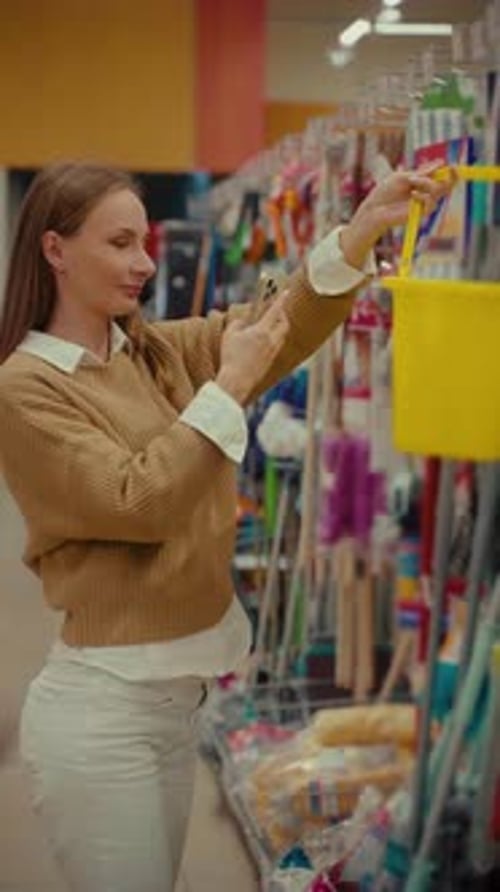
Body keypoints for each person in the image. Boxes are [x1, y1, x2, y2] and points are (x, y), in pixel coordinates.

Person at [0, 160, 449, 892]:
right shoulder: (26, 387)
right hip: (103, 714)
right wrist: (229, 387)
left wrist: (361, 230)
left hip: (181, 704)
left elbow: (276, 326)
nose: (145, 263)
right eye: (120, 244)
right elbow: (138, 502)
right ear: (55, 249)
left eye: (144, 242)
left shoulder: (149, 351)